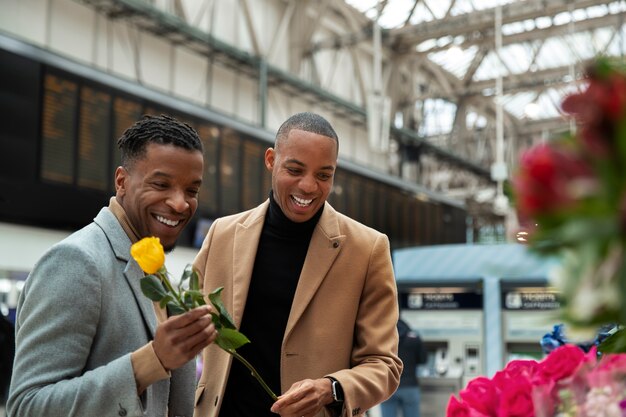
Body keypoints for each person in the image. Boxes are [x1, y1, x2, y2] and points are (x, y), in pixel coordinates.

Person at [192, 112, 402, 417]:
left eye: (323, 175)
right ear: (270, 160)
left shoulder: (367, 249)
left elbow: (384, 365)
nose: (308, 186)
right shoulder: (223, 234)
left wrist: (330, 388)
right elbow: (180, 321)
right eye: (295, 169)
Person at [7, 114, 218, 417]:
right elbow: (28, 407)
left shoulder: (157, 272)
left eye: (192, 191)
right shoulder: (76, 262)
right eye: (161, 184)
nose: (181, 203)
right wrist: (149, 362)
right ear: (122, 181)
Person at [380, 319, 427, 417]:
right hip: (410, 386)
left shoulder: (383, 340)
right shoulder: (414, 339)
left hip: (388, 387)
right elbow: (423, 360)